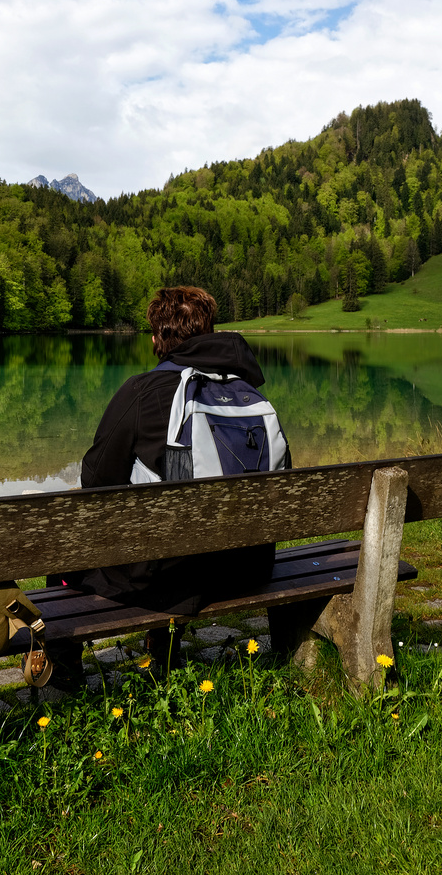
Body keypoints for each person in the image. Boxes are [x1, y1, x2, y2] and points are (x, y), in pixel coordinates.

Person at [55, 286, 287, 668]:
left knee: (67, 548)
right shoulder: (248, 393)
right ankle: (162, 650)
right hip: (248, 568)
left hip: (170, 580)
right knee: (173, 537)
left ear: (158, 338)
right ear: (209, 331)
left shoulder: (142, 391)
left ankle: (63, 666)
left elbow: (94, 481)